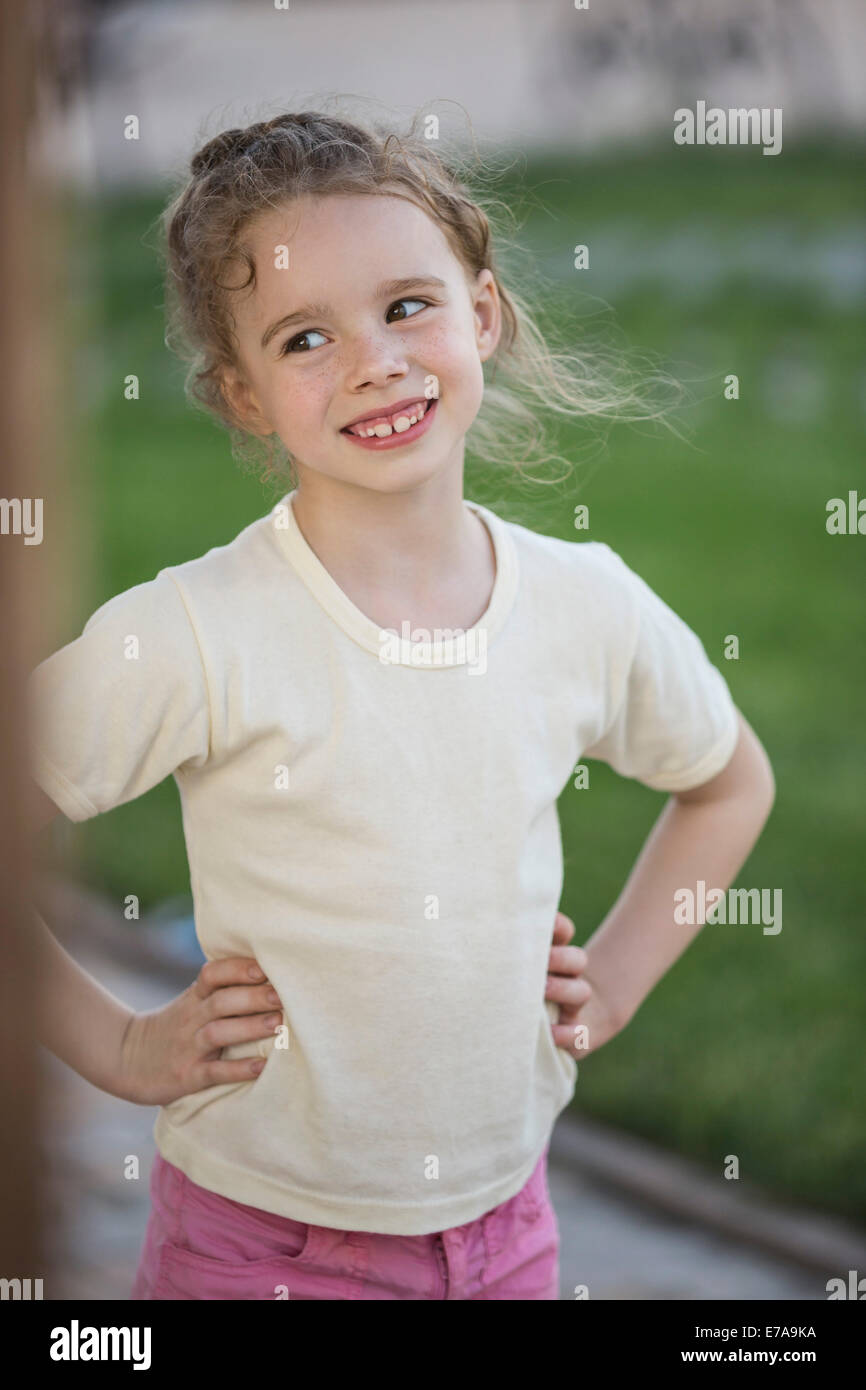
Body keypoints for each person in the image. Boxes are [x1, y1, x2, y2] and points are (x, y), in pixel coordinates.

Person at [26, 111, 775, 1301]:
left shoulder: (586, 605)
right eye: (305, 336)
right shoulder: (196, 633)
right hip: (261, 1248)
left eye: (406, 306)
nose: (373, 360)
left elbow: (728, 778)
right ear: (245, 396)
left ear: (482, 312)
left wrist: (617, 982)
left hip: (507, 1229)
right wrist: (117, 1042)